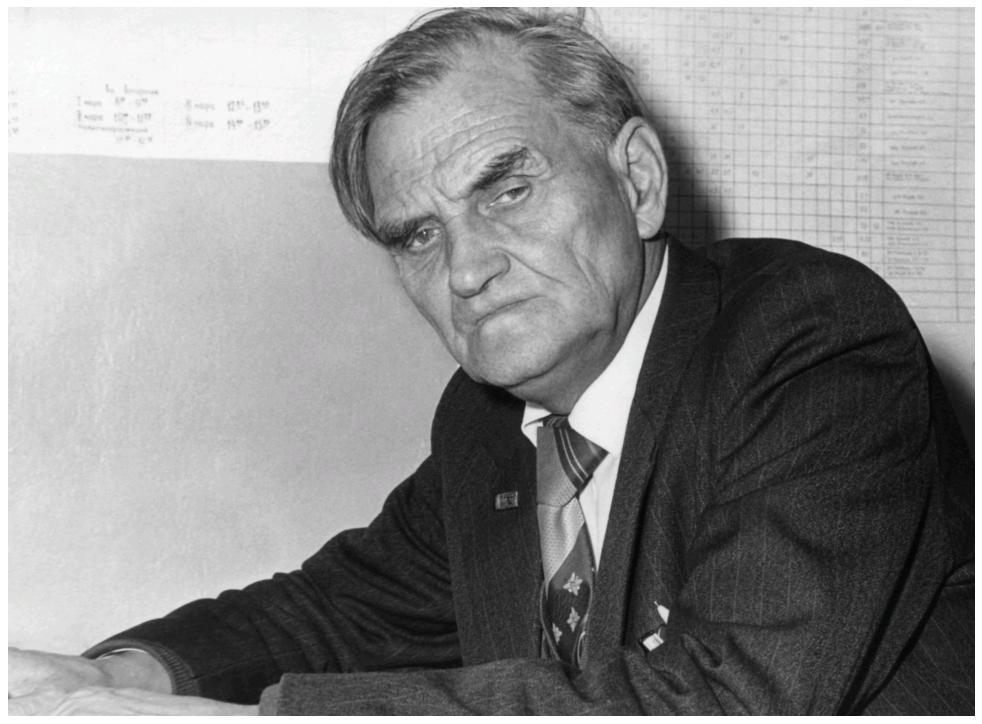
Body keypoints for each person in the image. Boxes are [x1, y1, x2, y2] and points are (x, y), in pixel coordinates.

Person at [8, 7, 973, 715]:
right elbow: (343, 608)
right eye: (419, 235)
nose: (466, 270)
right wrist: (114, 675)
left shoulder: (811, 342)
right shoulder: (487, 421)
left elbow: (729, 702)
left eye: (506, 190)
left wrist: (270, 720)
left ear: (637, 180)